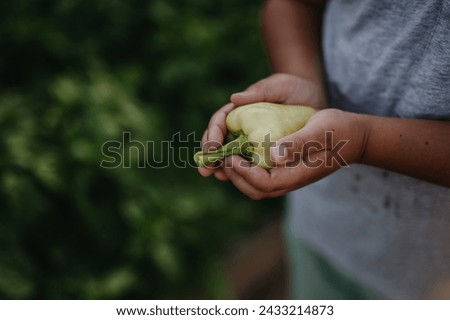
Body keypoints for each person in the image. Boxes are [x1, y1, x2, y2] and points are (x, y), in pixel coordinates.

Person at [198, 0, 450, 299]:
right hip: (322, 221)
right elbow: (291, 4)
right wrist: (305, 83)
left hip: (430, 279)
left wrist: (363, 140)